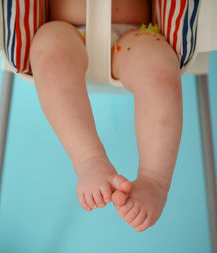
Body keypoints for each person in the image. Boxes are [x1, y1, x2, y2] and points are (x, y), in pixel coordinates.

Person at [29, 0, 182, 232]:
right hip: (65, 30)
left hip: (138, 33)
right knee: (50, 55)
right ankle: (88, 159)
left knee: (159, 70)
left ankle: (155, 179)